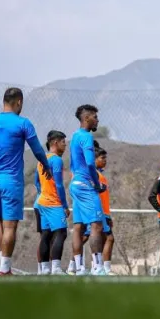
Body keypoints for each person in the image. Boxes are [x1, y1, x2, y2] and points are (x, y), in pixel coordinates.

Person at [0, 88, 52, 276]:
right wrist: (46, 165)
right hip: (11, 181)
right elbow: (37, 149)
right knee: (10, 227)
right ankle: (5, 269)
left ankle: (2, 266)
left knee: (0, 224)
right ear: (19, 102)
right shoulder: (23, 123)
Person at [68, 104, 106, 276]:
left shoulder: (75, 136)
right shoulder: (86, 136)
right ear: (86, 118)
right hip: (85, 185)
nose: (97, 120)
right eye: (95, 117)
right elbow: (90, 163)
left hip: (76, 184)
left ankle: (79, 268)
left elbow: (73, 164)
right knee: (97, 225)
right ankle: (98, 267)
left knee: (78, 227)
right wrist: (96, 184)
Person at [34, 130, 69, 275]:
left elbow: (36, 182)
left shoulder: (41, 160)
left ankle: (45, 269)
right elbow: (59, 185)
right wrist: (65, 205)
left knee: (46, 235)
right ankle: (56, 268)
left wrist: (43, 193)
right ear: (55, 142)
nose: (65, 145)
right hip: (53, 203)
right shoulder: (56, 160)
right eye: (63, 142)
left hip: (41, 202)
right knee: (61, 233)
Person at [95, 147, 115, 275]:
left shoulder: (100, 175)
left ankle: (98, 267)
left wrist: (108, 215)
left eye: (105, 158)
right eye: (102, 158)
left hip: (104, 213)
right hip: (99, 213)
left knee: (103, 240)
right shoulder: (95, 175)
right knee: (109, 238)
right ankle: (104, 269)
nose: (105, 160)